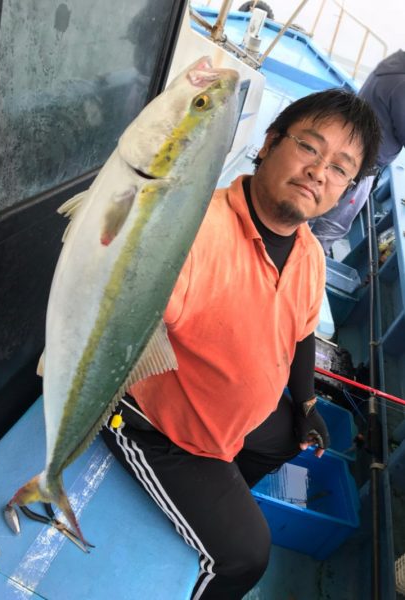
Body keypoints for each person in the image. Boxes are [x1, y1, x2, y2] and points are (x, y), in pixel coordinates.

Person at [101, 89, 380, 599]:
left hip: (231, 421)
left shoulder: (309, 252)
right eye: (309, 148)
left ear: (346, 191)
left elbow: (299, 337)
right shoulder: (193, 233)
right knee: (247, 557)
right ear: (270, 143)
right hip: (158, 427)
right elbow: (123, 323)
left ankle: (216, 497)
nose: (320, 172)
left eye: (341, 168)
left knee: (286, 438)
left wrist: (307, 404)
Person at [311, 50, 405, 255]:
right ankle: (303, 267)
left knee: (317, 214)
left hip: (352, 151)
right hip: (361, 166)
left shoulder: (395, 64)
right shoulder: (402, 82)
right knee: (330, 228)